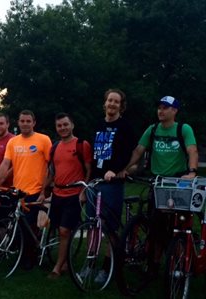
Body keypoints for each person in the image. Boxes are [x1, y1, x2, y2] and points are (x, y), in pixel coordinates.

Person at [122, 95, 198, 277]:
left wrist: (193, 171)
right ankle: (155, 263)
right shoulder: (153, 129)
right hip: (157, 182)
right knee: (155, 225)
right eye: (159, 107)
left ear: (175, 111)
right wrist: (124, 169)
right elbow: (139, 150)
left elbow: (192, 150)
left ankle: (180, 257)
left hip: (177, 182)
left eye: (165, 107)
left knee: (178, 224)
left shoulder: (183, 129)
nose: (160, 111)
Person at [0, 109, 52, 270]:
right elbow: (5, 164)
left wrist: (43, 191)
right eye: (22, 121)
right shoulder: (13, 142)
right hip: (17, 191)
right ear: (18, 123)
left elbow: (50, 166)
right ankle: (20, 251)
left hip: (35, 190)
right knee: (17, 224)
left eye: (28, 121)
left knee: (29, 227)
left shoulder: (43, 140)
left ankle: (29, 258)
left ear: (34, 123)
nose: (25, 124)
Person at [89, 89, 136, 283]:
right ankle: (89, 264)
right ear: (105, 103)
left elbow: (127, 154)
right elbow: (94, 153)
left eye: (116, 102)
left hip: (112, 183)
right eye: (110, 100)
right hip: (96, 181)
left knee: (110, 228)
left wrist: (115, 170)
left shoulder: (125, 126)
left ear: (121, 105)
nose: (112, 104)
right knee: (93, 225)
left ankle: (107, 267)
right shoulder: (98, 124)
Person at [45, 112, 92, 278]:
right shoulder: (55, 146)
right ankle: (64, 259)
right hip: (57, 193)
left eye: (65, 124)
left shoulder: (82, 144)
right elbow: (51, 172)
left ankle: (57, 267)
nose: (63, 128)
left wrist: (84, 191)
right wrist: (44, 190)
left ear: (72, 125)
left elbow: (88, 170)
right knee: (59, 229)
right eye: (59, 125)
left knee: (64, 230)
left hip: (74, 194)